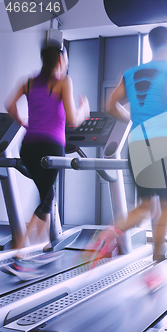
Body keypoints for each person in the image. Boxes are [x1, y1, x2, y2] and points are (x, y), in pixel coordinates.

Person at [101, 26, 167, 289]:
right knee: (166, 206)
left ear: (152, 45)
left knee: (145, 207)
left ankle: (108, 234)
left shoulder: (130, 74)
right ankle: (156, 266)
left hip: (137, 143)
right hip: (166, 142)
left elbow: (110, 105)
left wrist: (131, 118)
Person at [2, 44, 89, 279]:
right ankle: (20, 252)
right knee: (47, 198)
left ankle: (43, 248)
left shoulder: (28, 82)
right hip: (51, 148)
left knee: (45, 195)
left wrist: (24, 122)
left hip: (29, 147)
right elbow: (73, 119)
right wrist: (84, 109)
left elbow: (8, 105)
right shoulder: (63, 82)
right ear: (60, 60)